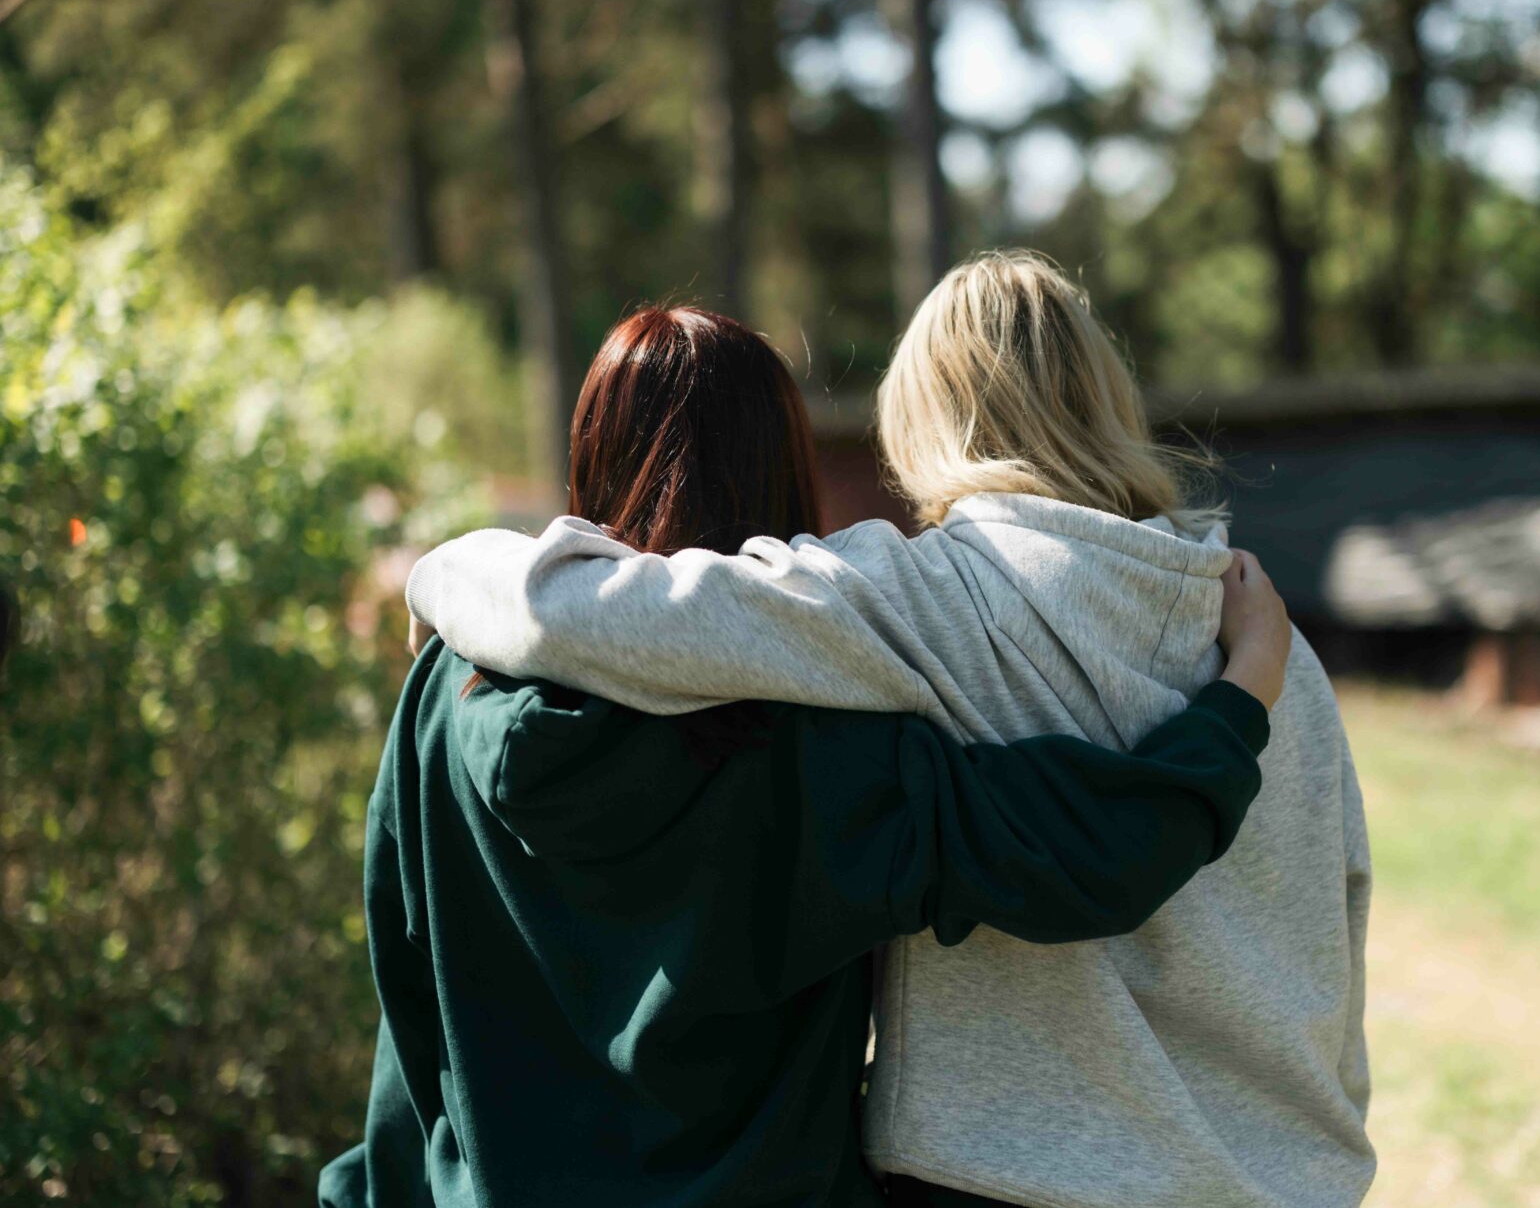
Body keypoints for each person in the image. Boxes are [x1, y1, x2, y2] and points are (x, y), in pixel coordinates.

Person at [406, 253, 1373, 1208]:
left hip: (1012, 1178)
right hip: (1289, 1180)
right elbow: (1336, 932)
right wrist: (1244, 688)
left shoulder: (920, 601)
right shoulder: (1276, 647)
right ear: (1111, 399)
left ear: (922, 421)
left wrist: (439, 570)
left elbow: (598, 612)